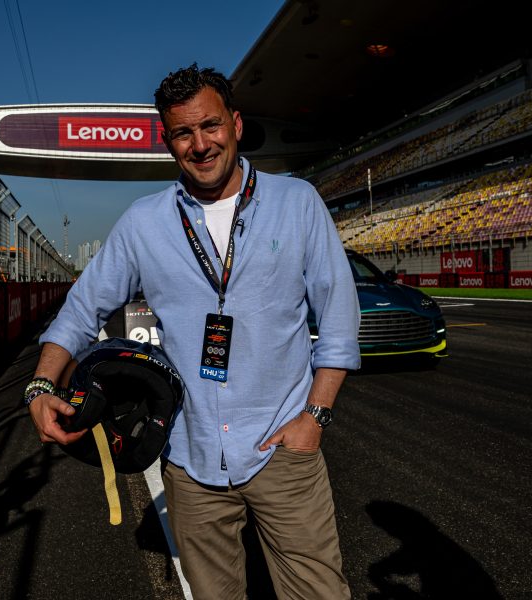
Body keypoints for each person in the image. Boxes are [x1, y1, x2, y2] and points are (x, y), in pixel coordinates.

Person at [24, 63, 360, 599]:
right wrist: (41, 385)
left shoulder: (298, 204)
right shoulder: (143, 222)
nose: (200, 144)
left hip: (283, 450)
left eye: (210, 126)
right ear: (168, 140)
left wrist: (314, 417)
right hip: (189, 454)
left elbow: (339, 320)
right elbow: (80, 309)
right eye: (183, 132)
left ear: (236, 124)